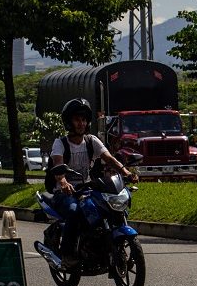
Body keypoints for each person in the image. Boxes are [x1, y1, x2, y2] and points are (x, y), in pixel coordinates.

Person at [47, 98, 138, 266]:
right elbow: (58, 164)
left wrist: (125, 172)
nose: (81, 123)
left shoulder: (91, 141)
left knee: (108, 207)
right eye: (76, 119)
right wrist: (63, 181)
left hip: (86, 188)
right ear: (69, 122)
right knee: (74, 211)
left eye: (83, 119)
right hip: (64, 192)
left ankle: (102, 244)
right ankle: (67, 254)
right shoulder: (60, 143)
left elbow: (109, 158)